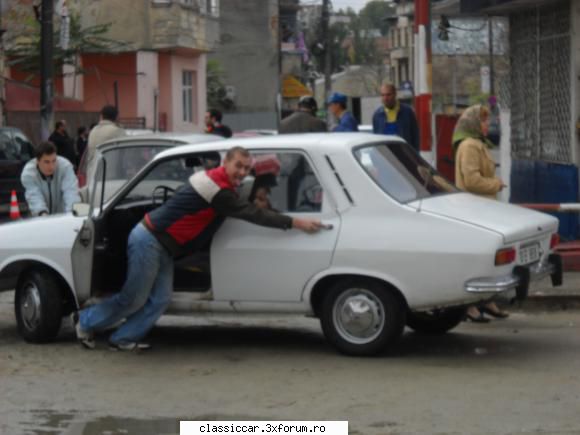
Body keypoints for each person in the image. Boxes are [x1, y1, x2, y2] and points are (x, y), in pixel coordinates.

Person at [73, 146, 323, 351]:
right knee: (134, 297)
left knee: (159, 299)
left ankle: (123, 339)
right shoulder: (218, 190)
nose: (242, 172)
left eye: (247, 169)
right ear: (226, 162)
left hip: (161, 243)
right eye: (238, 166)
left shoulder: (220, 182)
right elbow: (252, 213)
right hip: (149, 239)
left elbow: (247, 204)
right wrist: (296, 223)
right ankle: (85, 322)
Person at [453, 104, 509, 322]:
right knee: (474, 261)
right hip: (473, 211)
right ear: (474, 124)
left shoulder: (479, 144)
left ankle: (486, 301)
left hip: (484, 210)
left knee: (487, 260)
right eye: (484, 121)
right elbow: (471, 181)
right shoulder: (469, 146)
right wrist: (496, 184)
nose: (487, 125)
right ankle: (469, 305)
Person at [20, 141, 80, 216]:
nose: (51, 166)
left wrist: (72, 213)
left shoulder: (65, 167)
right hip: (41, 217)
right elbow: (34, 196)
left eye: (54, 161)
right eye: (46, 162)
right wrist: (42, 213)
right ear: (38, 161)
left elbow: (71, 192)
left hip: (63, 215)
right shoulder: (29, 174)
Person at [372, 83, 419, 151]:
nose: (385, 98)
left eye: (388, 95)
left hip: (404, 154)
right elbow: (376, 139)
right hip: (385, 155)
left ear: (395, 94)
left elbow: (415, 136)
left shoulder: (407, 112)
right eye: (383, 95)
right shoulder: (377, 115)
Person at [86, 105, 127, 181]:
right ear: (117, 117)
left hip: (92, 175)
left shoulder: (93, 130)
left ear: (101, 116)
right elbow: (126, 153)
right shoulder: (117, 131)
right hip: (109, 177)